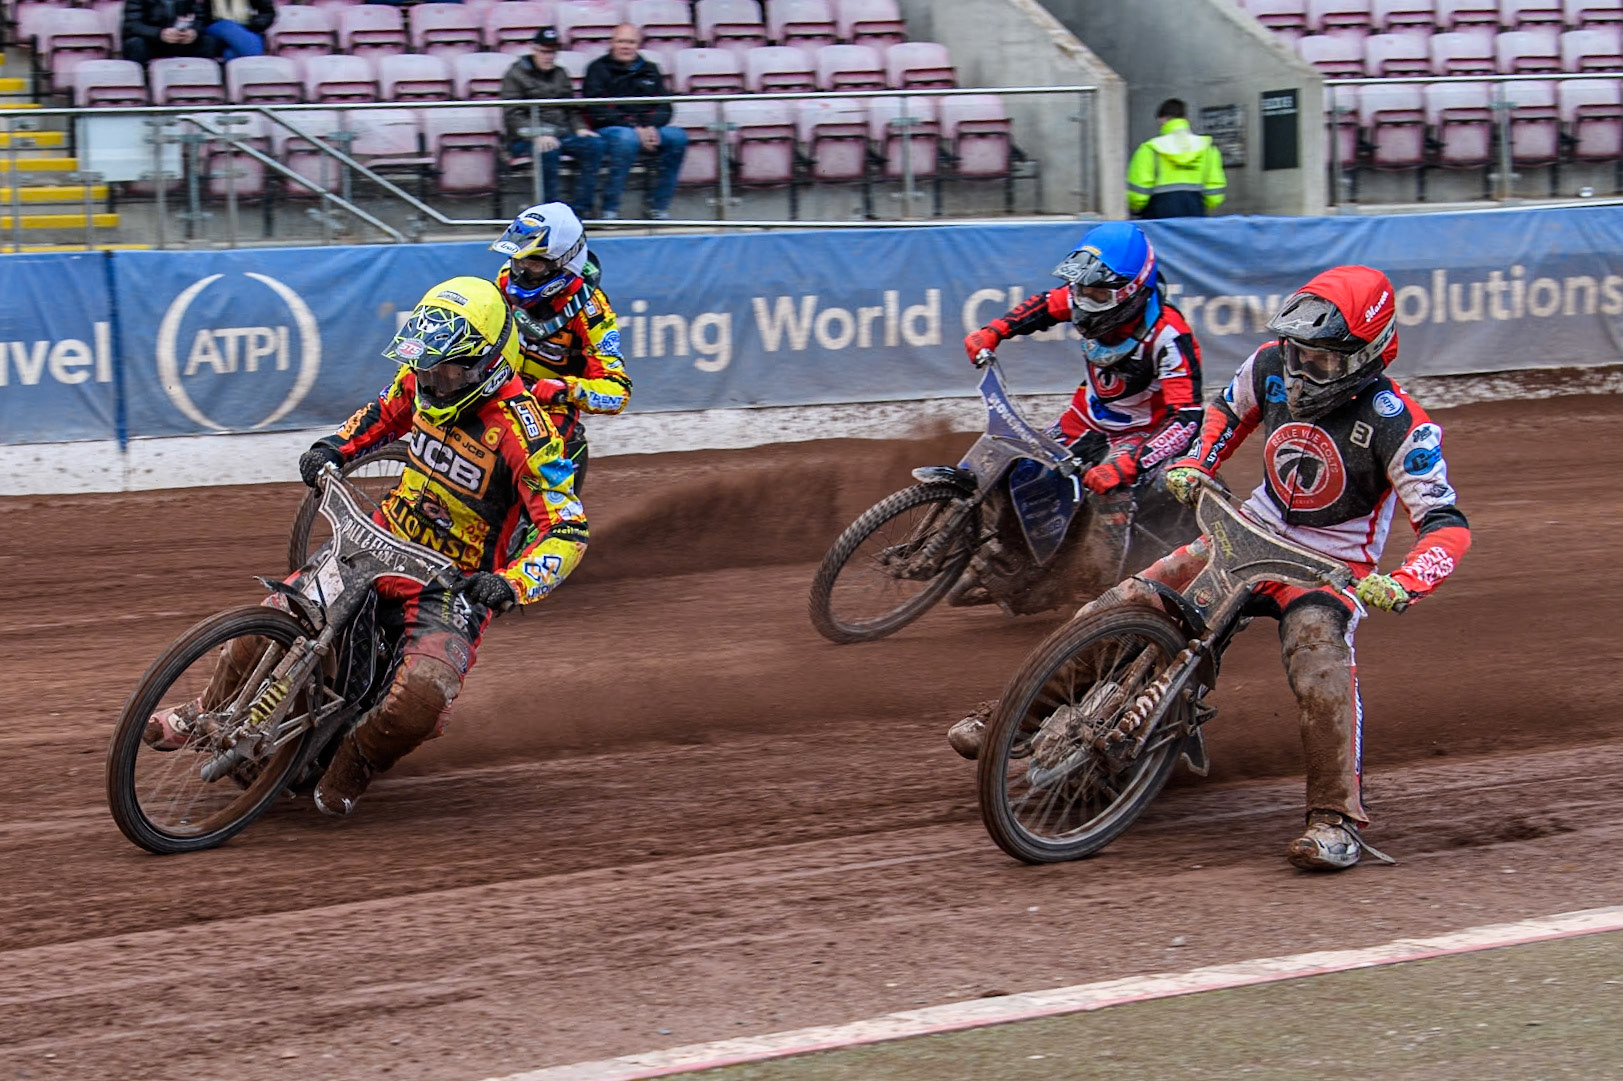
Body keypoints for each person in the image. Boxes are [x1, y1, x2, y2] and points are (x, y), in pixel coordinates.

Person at [960, 265, 1473, 873]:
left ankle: (1335, 823)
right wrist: (1200, 462)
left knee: (1318, 665)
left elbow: (1446, 523)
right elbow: (1226, 413)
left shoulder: (1401, 424)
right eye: (1298, 352)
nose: (1304, 369)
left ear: (1368, 354)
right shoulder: (1270, 365)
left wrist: (1407, 580)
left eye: (1324, 360)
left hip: (1327, 566)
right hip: (1246, 528)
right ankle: (1014, 722)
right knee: (1125, 603)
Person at [145, 277, 589, 819]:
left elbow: (567, 530)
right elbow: (378, 416)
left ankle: (354, 760)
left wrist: (510, 583)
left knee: (422, 698)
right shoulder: (421, 381)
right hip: (376, 538)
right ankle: (206, 710)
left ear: (487, 365)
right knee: (272, 618)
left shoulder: (527, 433)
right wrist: (332, 447)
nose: (432, 381)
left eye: (446, 370)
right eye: (426, 367)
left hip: (448, 583)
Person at [955, 220, 1203, 602]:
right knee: (1016, 462)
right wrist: (994, 331)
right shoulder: (1085, 296)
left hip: (1141, 435)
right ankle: (1010, 557)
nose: (1085, 301)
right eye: (1081, 289)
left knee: (1111, 496)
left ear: (1132, 291)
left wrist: (1127, 465)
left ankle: (1093, 595)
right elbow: (1042, 307)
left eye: (1098, 294)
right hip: (1086, 417)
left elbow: (1186, 419)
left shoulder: (1169, 336)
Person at [491, 202, 631, 495]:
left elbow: (617, 392)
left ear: (563, 263)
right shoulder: (506, 280)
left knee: (544, 473)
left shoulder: (592, 313)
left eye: (535, 263)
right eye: (520, 260)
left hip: (548, 408)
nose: (522, 270)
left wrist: (566, 389)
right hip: (497, 390)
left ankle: (545, 528)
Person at [581, 23, 688, 220]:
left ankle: (658, 207)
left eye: (631, 42)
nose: (626, 46)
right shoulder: (597, 69)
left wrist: (651, 126)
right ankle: (610, 209)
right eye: (621, 41)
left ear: (638, 44)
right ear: (612, 43)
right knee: (627, 139)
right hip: (612, 129)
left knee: (678, 137)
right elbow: (597, 110)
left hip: (647, 128)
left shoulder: (650, 69)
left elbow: (665, 106)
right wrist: (634, 127)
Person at [500, 26, 605, 219]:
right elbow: (512, 115)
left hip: (561, 133)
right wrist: (537, 134)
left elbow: (570, 108)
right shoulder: (515, 74)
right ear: (534, 49)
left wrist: (580, 128)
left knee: (594, 145)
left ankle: (583, 209)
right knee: (548, 149)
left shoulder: (560, 73)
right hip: (525, 139)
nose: (549, 56)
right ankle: (551, 213)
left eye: (553, 52)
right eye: (545, 51)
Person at [1126, 98, 1227, 219]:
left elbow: (1138, 195)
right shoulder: (1207, 148)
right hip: (1195, 215)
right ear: (1185, 119)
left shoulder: (1150, 149)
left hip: (1158, 218)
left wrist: (1136, 206)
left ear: (1162, 120)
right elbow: (1214, 193)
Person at [122, 0, 224, 63]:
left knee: (208, 42)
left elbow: (201, 19)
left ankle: (202, 84)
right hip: (152, 43)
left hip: (181, 41)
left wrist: (194, 32)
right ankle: (143, 85)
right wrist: (159, 34)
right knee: (135, 44)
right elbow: (132, 25)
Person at [202, 0, 275, 61]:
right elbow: (200, 14)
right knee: (228, 26)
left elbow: (267, 12)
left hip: (245, 27)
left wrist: (255, 24)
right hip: (216, 27)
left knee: (231, 54)